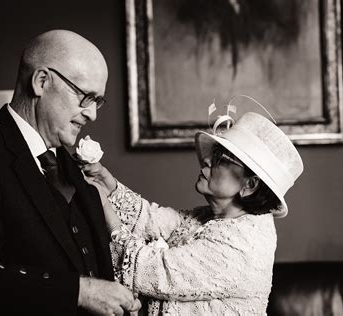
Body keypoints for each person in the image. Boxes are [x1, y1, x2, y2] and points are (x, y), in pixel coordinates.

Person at [0, 30, 140, 316]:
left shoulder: (71, 163)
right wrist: (79, 292)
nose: (92, 115)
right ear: (41, 82)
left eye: (97, 101)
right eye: (85, 97)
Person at [83, 111, 304, 315]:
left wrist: (102, 206)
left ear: (250, 185)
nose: (206, 160)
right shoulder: (216, 217)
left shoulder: (242, 245)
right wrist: (107, 184)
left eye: (220, 159)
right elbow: (154, 220)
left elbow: (151, 271)